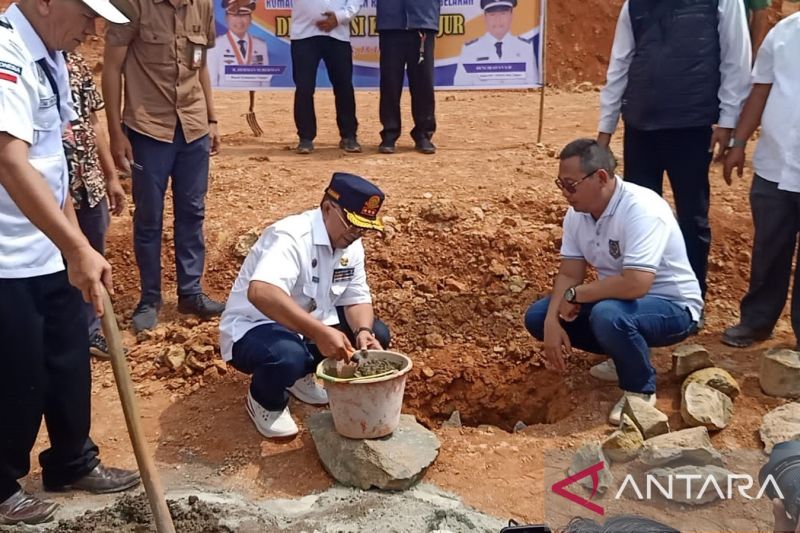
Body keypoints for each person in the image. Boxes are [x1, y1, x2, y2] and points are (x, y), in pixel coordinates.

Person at [0, 0, 141, 525]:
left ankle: (70, 461)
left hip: (48, 245)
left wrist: (75, 244)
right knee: (17, 375)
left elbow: (50, 163)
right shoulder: (6, 52)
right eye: (87, 14)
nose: (94, 27)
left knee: (67, 359)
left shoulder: (51, 55)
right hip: (7, 257)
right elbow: (10, 162)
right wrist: (77, 246)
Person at [524, 139, 702, 425]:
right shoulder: (577, 215)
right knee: (537, 316)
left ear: (601, 178)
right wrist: (551, 322)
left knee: (609, 316)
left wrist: (575, 294)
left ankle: (639, 390)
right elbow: (570, 272)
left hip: (672, 308)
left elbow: (636, 284)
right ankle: (624, 354)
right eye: (561, 184)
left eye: (571, 185)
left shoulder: (641, 209)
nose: (565, 194)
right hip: (623, 303)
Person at [597, 0, 751, 301]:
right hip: (640, 128)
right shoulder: (635, 5)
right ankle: (639, 293)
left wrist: (728, 120)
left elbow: (736, 59)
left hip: (692, 127)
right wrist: (605, 130)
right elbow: (620, 64)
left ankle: (691, 298)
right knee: (637, 215)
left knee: (692, 216)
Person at [219, 172, 391, 438]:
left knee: (377, 333)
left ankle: (300, 378)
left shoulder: (350, 245)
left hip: (307, 326)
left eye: (365, 229)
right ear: (327, 208)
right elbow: (261, 292)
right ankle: (266, 402)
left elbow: (356, 297)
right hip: (256, 327)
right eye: (353, 225)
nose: (358, 235)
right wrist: (319, 332)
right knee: (287, 356)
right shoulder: (291, 236)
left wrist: (362, 332)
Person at [103, 0, 226, 333]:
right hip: (147, 129)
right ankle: (150, 299)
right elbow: (112, 67)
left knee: (192, 211)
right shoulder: (131, 4)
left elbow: (199, 64)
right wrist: (116, 133)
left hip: (193, 126)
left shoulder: (201, 5)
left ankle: (191, 293)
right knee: (148, 217)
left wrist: (211, 118)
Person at [720, 12, 800, 349]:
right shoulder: (783, 32)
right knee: (769, 248)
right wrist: (739, 143)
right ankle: (756, 322)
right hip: (775, 165)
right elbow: (760, 93)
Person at [63, 50, 126, 359]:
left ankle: (89, 331)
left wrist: (111, 176)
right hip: (49, 190)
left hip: (89, 184)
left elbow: (93, 122)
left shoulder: (75, 62)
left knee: (93, 255)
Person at [290, 0, 362, 155]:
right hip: (304, 34)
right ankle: (305, 138)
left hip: (338, 35)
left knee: (344, 87)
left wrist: (340, 16)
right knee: (304, 88)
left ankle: (349, 136)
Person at [376, 0, 440, 155]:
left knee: (423, 83)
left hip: (422, 21)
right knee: (389, 82)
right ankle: (390, 133)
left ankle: (423, 134)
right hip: (391, 24)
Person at [453, 0, 538, 87]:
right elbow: (461, 88)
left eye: (503, 13)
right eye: (492, 15)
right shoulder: (470, 50)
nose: (498, 20)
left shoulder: (526, 47)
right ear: (485, 17)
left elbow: (533, 87)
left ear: (511, 15)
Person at [208, 0, 270, 89]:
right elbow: (212, 83)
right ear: (226, 18)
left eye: (244, 15)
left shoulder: (261, 45)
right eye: (235, 15)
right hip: (226, 99)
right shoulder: (216, 46)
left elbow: (265, 81)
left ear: (250, 19)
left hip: (256, 97)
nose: (239, 21)